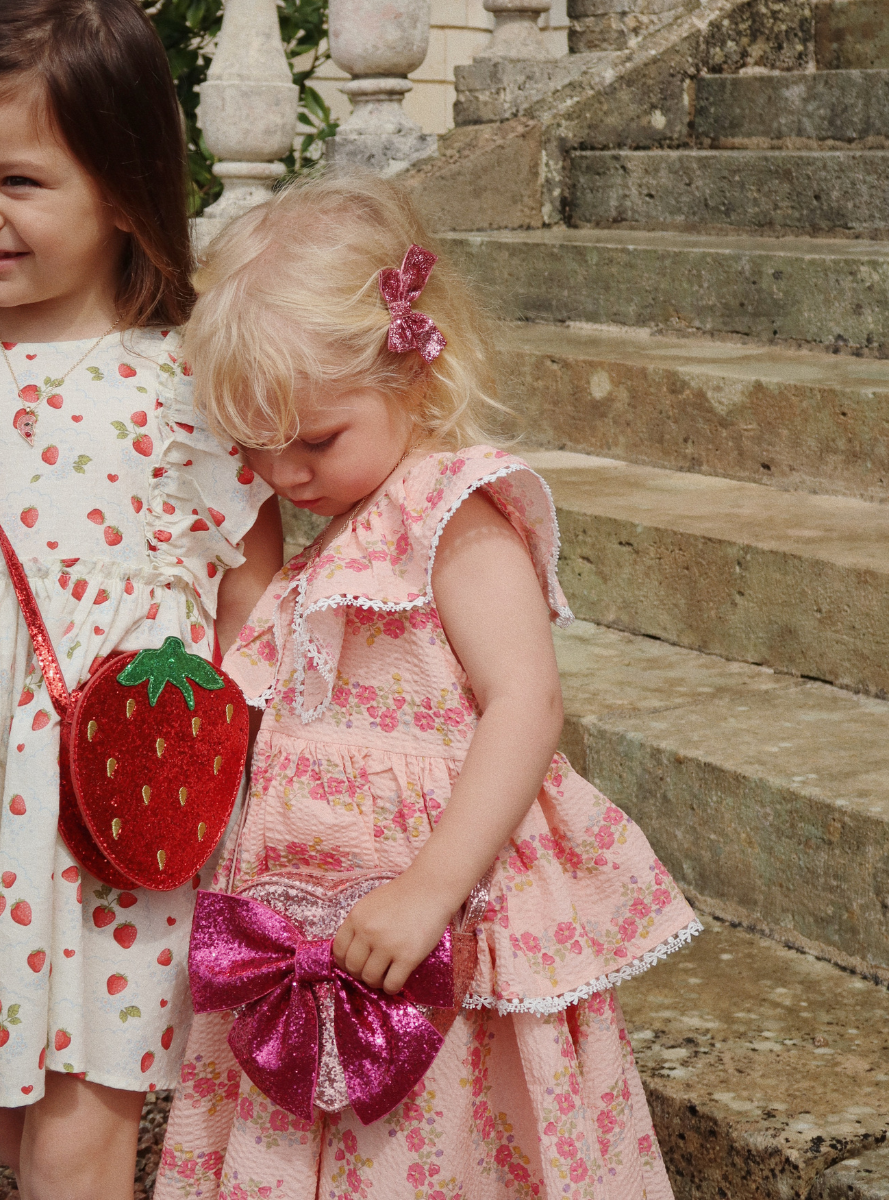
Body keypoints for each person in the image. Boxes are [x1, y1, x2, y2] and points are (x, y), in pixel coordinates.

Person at [154, 171, 702, 1200]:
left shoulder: (452, 516)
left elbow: (527, 703)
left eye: (315, 441)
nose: (285, 474)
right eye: (256, 447)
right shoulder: (331, 540)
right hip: (313, 910)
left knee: (448, 1138)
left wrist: (428, 891)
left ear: (413, 372)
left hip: (442, 905)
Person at [0, 3, 283, 1196]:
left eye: (18, 179)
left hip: (117, 817)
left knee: (81, 1124)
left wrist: (251, 801)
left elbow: (255, 609)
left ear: (120, 186)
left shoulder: (188, 384)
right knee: (8, 1116)